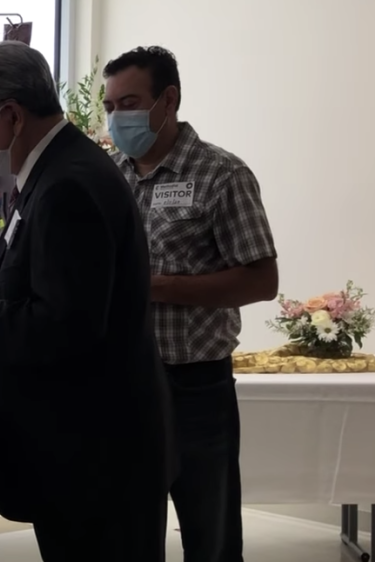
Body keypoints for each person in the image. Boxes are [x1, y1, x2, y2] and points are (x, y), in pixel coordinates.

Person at [0, 42, 174, 562]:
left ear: (10, 114)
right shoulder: (53, 172)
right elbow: (47, 284)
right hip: (86, 450)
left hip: (93, 456)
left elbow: (68, 325)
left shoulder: (67, 186)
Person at [104, 46, 278, 562]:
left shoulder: (222, 175)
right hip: (126, 382)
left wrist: (157, 286)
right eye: (110, 107)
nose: (117, 118)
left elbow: (262, 280)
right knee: (130, 528)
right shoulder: (111, 177)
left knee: (211, 531)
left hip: (196, 385)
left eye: (129, 103)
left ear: (168, 99)